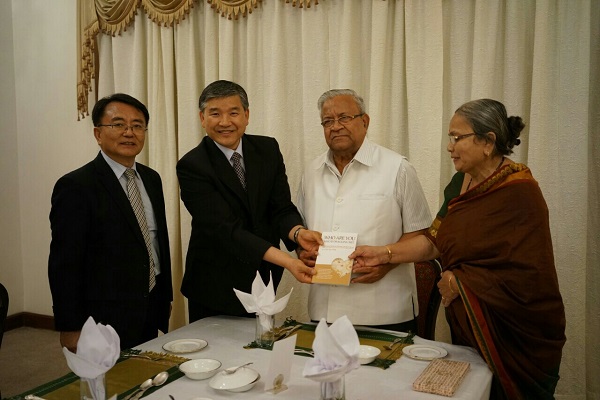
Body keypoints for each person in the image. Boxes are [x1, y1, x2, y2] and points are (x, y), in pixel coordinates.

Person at [350, 99, 566, 399]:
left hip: (516, 328)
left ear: (488, 141)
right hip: (471, 321)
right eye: (449, 137)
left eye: (457, 137)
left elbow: (528, 276)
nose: (449, 147)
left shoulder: (521, 192)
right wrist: (382, 253)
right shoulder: (459, 182)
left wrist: (459, 281)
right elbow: (434, 241)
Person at [177, 80, 322, 323]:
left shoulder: (267, 149)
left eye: (233, 113)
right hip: (215, 285)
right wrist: (288, 261)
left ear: (246, 115)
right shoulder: (192, 165)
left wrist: (298, 233)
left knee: (261, 343)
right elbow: (226, 230)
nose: (225, 122)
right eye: (215, 113)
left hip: (263, 278)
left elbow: (280, 208)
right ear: (202, 118)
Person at [296, 89, 432, 332]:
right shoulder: (311, 172)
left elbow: (421, 236)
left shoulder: (397, 168)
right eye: (328, 121)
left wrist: (386, 262)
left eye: (344, 118)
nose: (335, 127)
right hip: (323, 311)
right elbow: (302, 230)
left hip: (384, 310)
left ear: (365, 121)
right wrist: (302, 252)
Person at [49, 93, 173, 351]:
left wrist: (165, 297)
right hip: (103, 315)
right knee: (108, 377)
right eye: (118, 124)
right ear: (98, 133)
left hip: (150, 304)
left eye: (137, 125)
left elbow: (156, 243)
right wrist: (70, 325)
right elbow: (65, 263)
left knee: (147, 372)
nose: (129, 132)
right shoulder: (76, 186)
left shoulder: (151, 179)